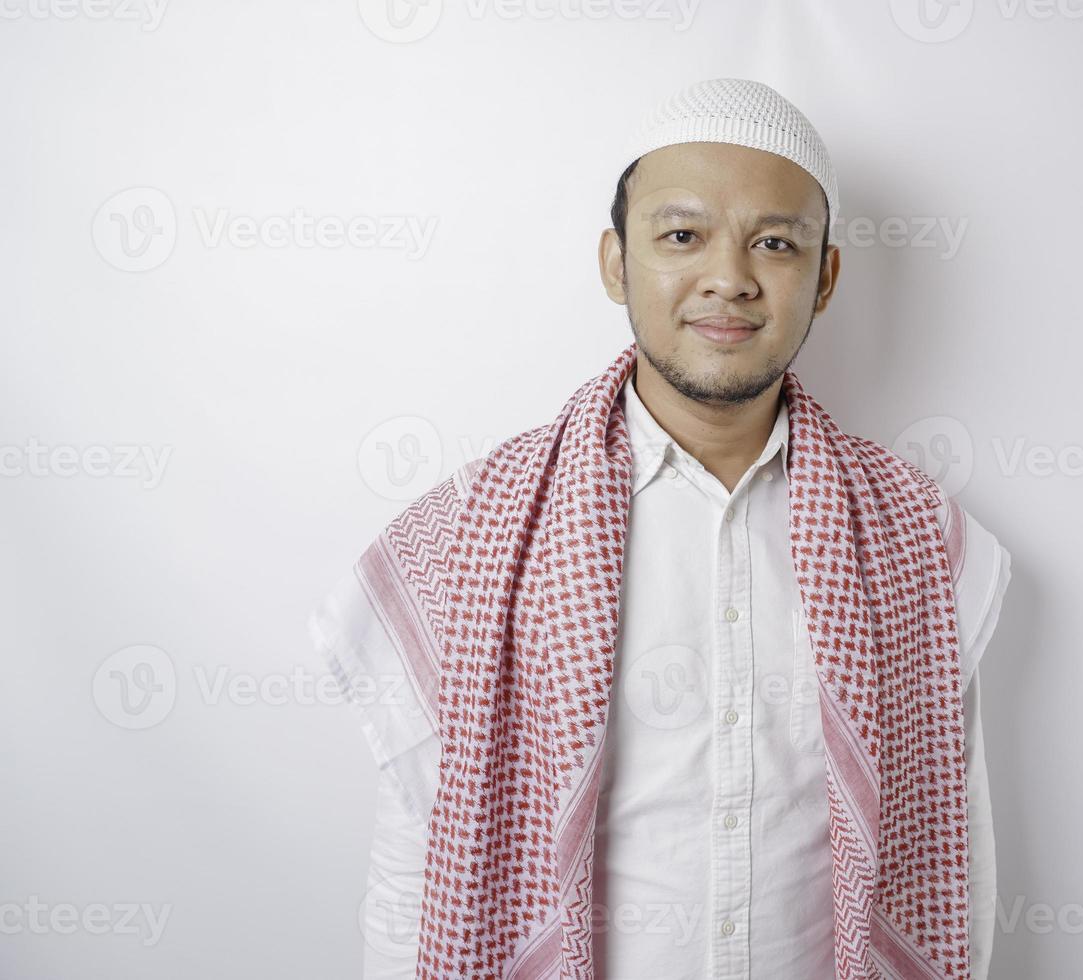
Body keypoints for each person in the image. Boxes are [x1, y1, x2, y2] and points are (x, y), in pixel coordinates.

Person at [309, 76, 1012, 980]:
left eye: (776, 243)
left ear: (826, 279)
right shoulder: (473, 532)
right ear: (616, 263)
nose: (730, 277)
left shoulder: (915, 539)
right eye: (682, 236)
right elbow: (418, 860)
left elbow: (956, 855)